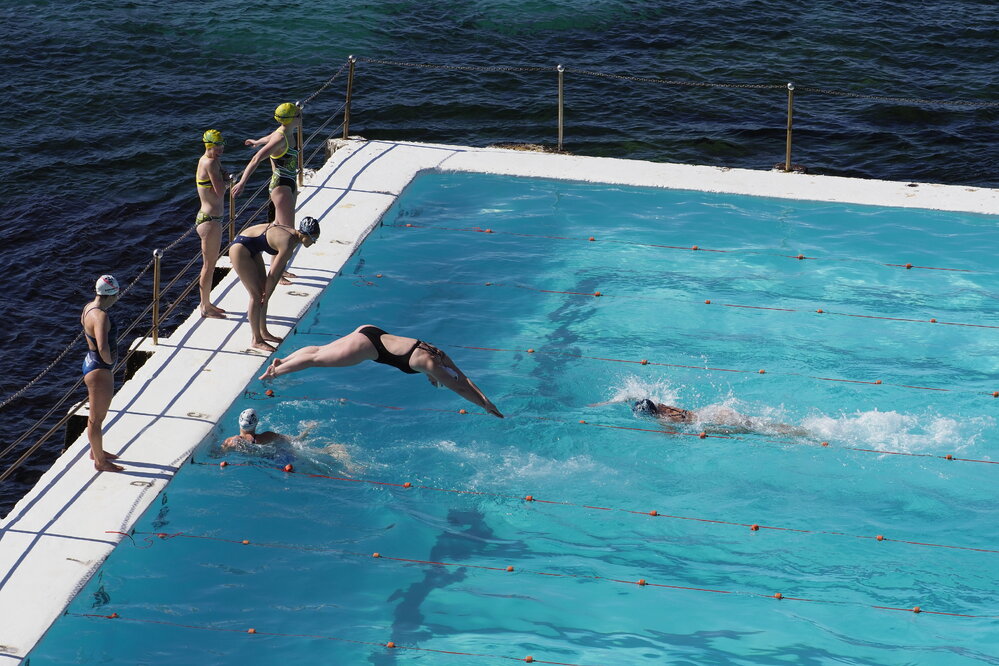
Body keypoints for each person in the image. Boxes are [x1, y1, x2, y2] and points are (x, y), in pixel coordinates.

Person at [259, 325, 504, 418]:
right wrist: (483, 405)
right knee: (316, 360)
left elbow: (462, 377)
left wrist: (485, 400)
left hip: (371, 330)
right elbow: (459, 386)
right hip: (367, 347)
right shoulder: (432, 365)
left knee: (319, 351)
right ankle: (273, 374)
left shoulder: (438, 355)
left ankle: (284, 361)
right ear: (438, 371)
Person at [229, 216, 320, 352]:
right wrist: (267, 293)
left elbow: (278, 272)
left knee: (263, 294)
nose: (314, 243)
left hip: (251, 246)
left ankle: (263, 332)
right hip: (240, 249)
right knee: (257, 296)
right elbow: (273, 274)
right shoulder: (288, 243)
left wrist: (267, 292)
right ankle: (256, 340)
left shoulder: (294, 237)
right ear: (305, 234)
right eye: (314, 239)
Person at [231, 102, 301, 229]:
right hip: (281, 185)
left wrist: (257, 142)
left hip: (290, 181)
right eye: (298, 115)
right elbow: (256, 158)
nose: (301, 116)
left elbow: (269, 137)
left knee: (282, 226)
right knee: (287, 230)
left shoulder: (284, 131)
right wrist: (242, 182)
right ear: (291, 119)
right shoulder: (280, 138)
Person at [81, 275, 124, 472]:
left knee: (95, 417)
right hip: (99, 369)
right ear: (112, 294)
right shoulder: (101, 316)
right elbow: (102, 345)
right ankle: (100, 461)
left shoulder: (88, 307)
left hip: (91, 362)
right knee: (96, 419)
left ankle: (96, 451)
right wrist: (110, 362)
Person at [631, 398, 810, 436]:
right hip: (714, 411)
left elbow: (674, 436)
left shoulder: (664, 419)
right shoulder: (664, 405)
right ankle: (800, 429)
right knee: (758, 423)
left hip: (712, 420)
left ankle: (802, 433)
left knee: (759, 429)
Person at [194, 129, 229, 319]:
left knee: (211, 264)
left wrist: (224, 176)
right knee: (208, 265)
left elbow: (220, 177)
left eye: (222, 146)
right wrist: (229, 182)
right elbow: (221, 191)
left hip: (211, 219)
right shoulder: (210, 162)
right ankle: (205, 307)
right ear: (209, 146)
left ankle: (207, 303)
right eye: (217, 147)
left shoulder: (209, 160)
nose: (220, 150)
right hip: (210, 221)